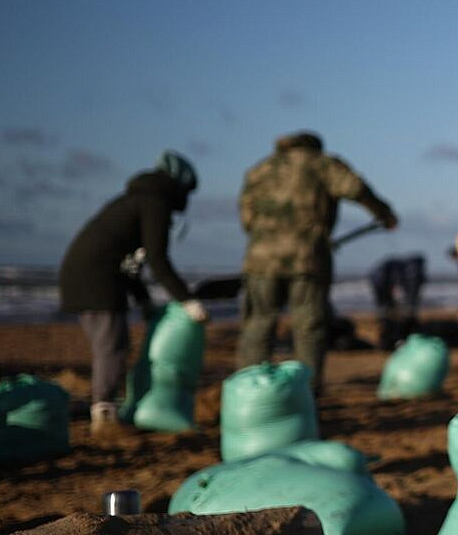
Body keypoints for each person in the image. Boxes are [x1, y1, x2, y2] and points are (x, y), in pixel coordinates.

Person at [58, 151, 207, 435]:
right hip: (95, 278)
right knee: (111, 346)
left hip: (88, 274)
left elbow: (132, 261)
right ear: (178, 185)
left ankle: (106, 405)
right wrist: (187, 300)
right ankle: (104, 415)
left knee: (115, 344)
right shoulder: (155, 203)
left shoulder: (138, 199)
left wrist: (145, 302)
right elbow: (157, 258)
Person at [237, 131, 397, 393]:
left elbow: (247, 219)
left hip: (260, 260)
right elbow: (355, 188)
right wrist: (384, 213)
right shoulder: (321, 163)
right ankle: (307, 394)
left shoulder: (259, 170)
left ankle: (248, 393)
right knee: (308, 327)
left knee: (258, 325)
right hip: (307, 259)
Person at [368, 254, 426, 349]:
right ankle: (396, 338)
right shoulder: (409, 274)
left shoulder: (396, 273)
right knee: (397, 316)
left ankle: (396, 338)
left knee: (393, 316)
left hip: (391, 304)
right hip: (394, 307)